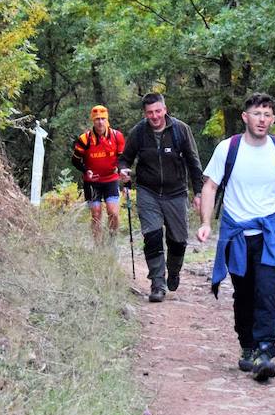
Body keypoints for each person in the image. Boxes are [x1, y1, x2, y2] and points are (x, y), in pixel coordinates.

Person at [197, 93, 275, 382]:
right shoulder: (228, 149)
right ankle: (247, 345)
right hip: (237, 234)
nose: (262, 119)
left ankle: (264, 349)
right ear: (245, 117)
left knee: (268, 291)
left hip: (269, 232)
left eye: (267, 114)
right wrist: (206, 223)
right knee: (244, 293)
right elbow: (210, 186)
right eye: (257, 114)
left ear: (273, 119)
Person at [119, 93, 204, 302]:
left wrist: (199, 192)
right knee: (153, 237)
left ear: (165, 110)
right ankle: (157, 283)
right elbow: (124, 159)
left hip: (176, 192)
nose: (154, 116)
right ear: (145, 113)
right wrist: (123, 170)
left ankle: (173, 271)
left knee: (178, 241)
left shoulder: (180, 130)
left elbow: (193, 162)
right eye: (150, 113)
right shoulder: (139, 132)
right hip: (148, 192)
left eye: (158, 111)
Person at [71, 105, 125, 245]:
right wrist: (85, 170)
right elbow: (75, 160)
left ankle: (112, 241)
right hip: (92, 182)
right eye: (97, 119)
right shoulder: (85, 139)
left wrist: (121, 172)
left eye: (103, 119)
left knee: (113, 212)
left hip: (110, 180)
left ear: (107, 120)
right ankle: (98, 246)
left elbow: (123, 159)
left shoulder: (116, 136)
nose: (100, 122)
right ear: (92, 121)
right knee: (96, 214)